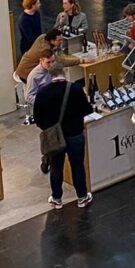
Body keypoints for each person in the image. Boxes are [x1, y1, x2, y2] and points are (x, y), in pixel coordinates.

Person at [33, 64, 93, 209]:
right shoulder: (76, 89)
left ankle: (57, 198)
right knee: (77, 166)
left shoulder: (42, 93)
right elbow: (87, 109)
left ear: (50, 75)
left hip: (54, 137)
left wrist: (49, 129)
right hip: (75, 134)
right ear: (64, 73)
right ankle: (82, 197)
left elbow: (37, 118)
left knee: (56, 167)